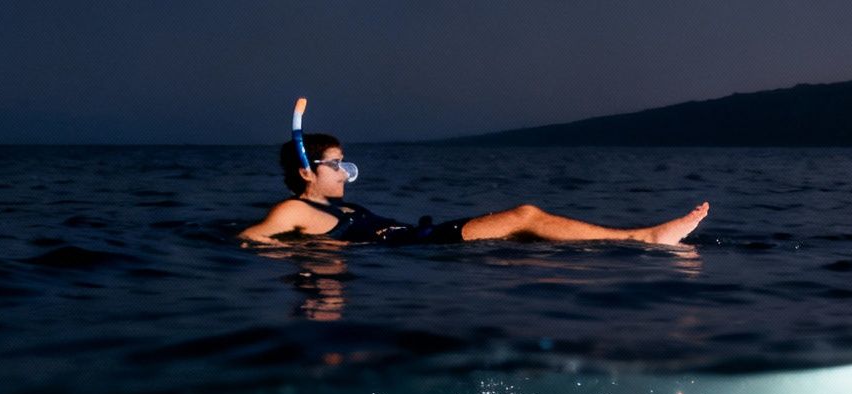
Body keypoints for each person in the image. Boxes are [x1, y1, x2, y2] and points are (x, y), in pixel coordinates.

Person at [239, 133, 709, 247]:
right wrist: (306, 255)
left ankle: (639, 239)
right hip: (419, 248)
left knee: (530, 238)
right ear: (307, 172)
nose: (344, 174)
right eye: (338, 165)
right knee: (525, 215)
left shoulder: (336, 206)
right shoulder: (290, 210)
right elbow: (250, 239)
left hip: (416, 241)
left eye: (345, 166)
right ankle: (643, 237)